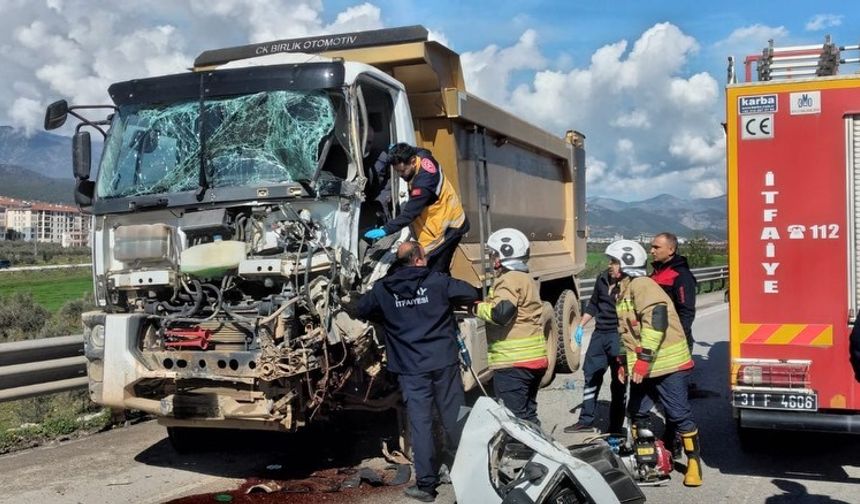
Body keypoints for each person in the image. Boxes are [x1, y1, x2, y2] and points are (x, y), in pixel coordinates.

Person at [357, 241, 480, 502]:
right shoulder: (438, 282)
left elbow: (360, 309)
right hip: (443, 363)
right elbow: (470, 292)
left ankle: (426, 486)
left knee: (420, 424)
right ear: (419, 260)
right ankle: (469, 472)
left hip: (410, 368)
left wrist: (388, 317)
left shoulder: (383, 289)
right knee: (455, 417)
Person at [606, 239, 702, 487]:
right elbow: (625, 332)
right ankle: (647, 460)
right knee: (637, 411)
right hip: (644, 365)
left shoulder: (642, 285)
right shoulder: (623, 289)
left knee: (679, 415)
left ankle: (693, 463)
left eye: (614, 262)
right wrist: (621, 363)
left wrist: (642, 362)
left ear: (626, 264)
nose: (610, 266)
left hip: (667, 364)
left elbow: (656, 322)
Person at [474, 228, 547, 425]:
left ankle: (523, 455)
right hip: (533, 359)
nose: (492, 259)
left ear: (502, 256)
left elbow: (501, 314)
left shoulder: (508, 279)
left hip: (514, 363)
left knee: (515, 423)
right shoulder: (526, 278)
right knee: (528, 417)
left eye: (493, 254)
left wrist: (477, 308)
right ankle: (538, 453)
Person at [363, 143, 469, 274]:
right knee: (435, 270)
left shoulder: (423, 184)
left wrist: (385, 229)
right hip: (440, 217)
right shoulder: (423, 156)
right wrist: (396, 151)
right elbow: (421, 150)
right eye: (397, 171)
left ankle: (441, 291)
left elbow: (409, 215)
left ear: (413, 161)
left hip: (448, 227)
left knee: (435, 270)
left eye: (402, 171)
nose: (400, 175)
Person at [563, 259, 626, 435]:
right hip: (600, 335)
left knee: (619, 382)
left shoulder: (631, 283)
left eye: (614, 262)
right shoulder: (602, 279)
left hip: (619, 335)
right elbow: (593, 304)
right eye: (610, 261)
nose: (609, 265)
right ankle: (586, 420)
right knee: (591, 376)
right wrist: (581, 326)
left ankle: (616, 427)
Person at [649, 232, 697, 352]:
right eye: (652, 247)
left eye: (656, 247)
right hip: (656, 338)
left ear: (671, 250)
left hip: (674, 340)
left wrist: (678, 337)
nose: (652, 251)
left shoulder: (681, 275)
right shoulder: (656, 272)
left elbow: (686, 311)